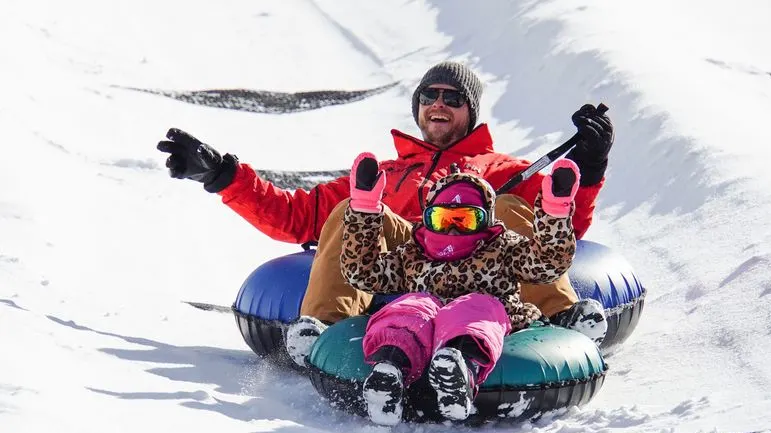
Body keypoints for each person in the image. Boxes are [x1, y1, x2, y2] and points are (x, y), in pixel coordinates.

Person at [156, 61, 614, 367]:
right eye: (429, 95)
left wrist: (590, 167)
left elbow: (561, 228)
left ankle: (561, 318)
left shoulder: (505, 170)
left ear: (470, 113)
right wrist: (221, 175)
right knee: (352, 207)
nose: (438, 103)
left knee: (512, 206)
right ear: (417, 107)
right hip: (400, 272)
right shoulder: (384, 174)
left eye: (452, 98)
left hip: (484, 276)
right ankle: (324, 330)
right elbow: (293, 216)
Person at [341, 150, 580, 425]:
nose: (452, 230)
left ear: (485, 222)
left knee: (475, 307)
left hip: (479, 315)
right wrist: (363, 208)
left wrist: (555, 211)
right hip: (425, 320)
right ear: (428, 219)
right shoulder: (414, 253)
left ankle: (459, 372)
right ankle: (390, 371)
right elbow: (362, 272)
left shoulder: (501, 247)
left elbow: (546, 264)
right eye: (443, 219)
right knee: (409, 307)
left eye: (465, 220)